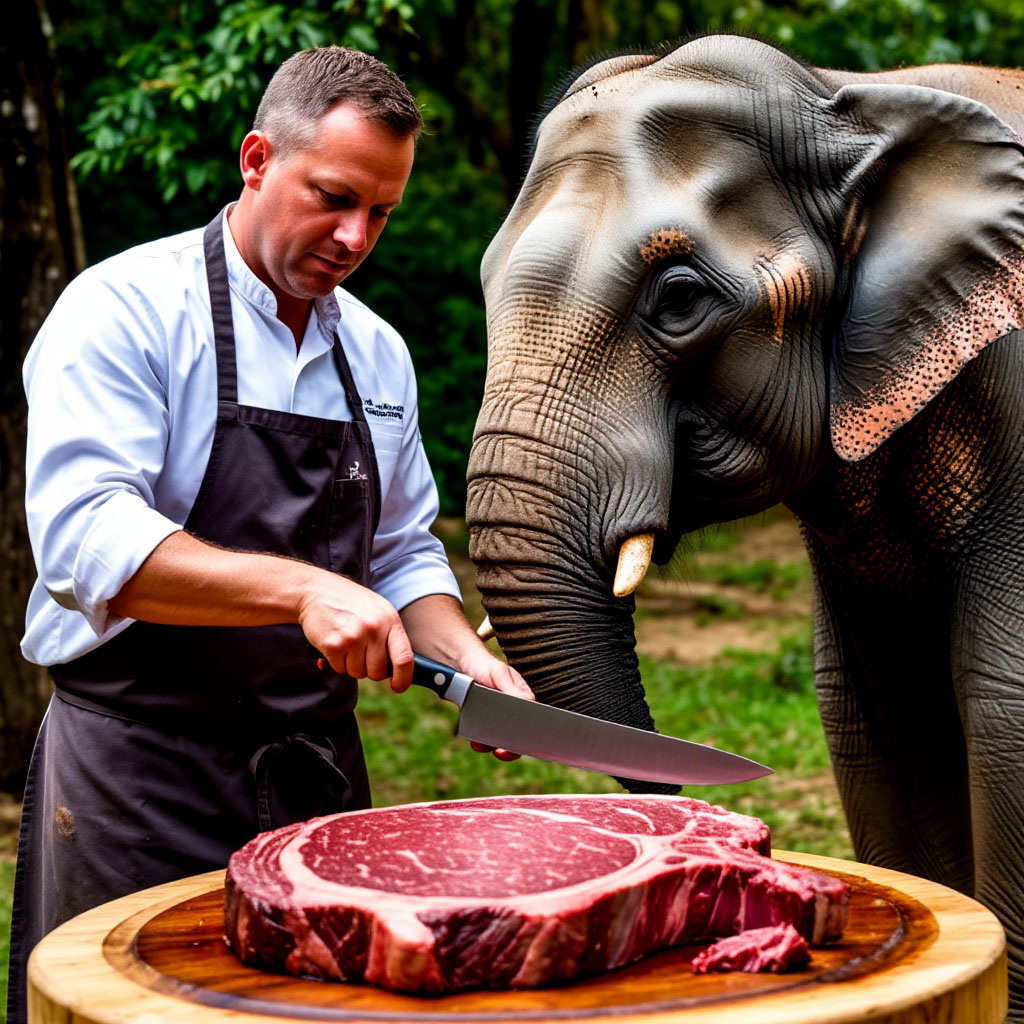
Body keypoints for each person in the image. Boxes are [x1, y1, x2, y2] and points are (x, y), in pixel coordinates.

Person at [7, 45, 531, 1024]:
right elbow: (88, 539)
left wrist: (467, 660)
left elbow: (403, 548)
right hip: (137, 786)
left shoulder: (374, 350)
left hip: (314, 785)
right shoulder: (124, 310)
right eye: (332, 196)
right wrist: (302, 591)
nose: (353, 235)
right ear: (255, 160)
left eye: (381, 212)